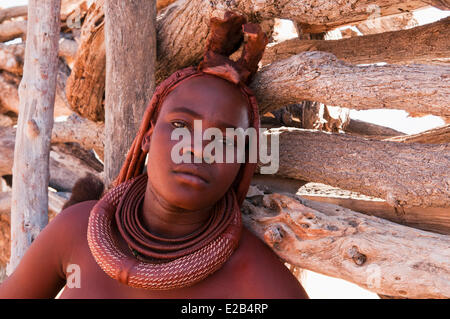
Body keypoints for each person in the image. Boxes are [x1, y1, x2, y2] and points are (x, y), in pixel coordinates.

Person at [0, 12, 308, 299]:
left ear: (243, 161)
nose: (198, 147)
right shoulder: (78, 231)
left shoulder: (254, 276)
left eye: (224, 140)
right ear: (148, 135)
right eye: (179, 125)